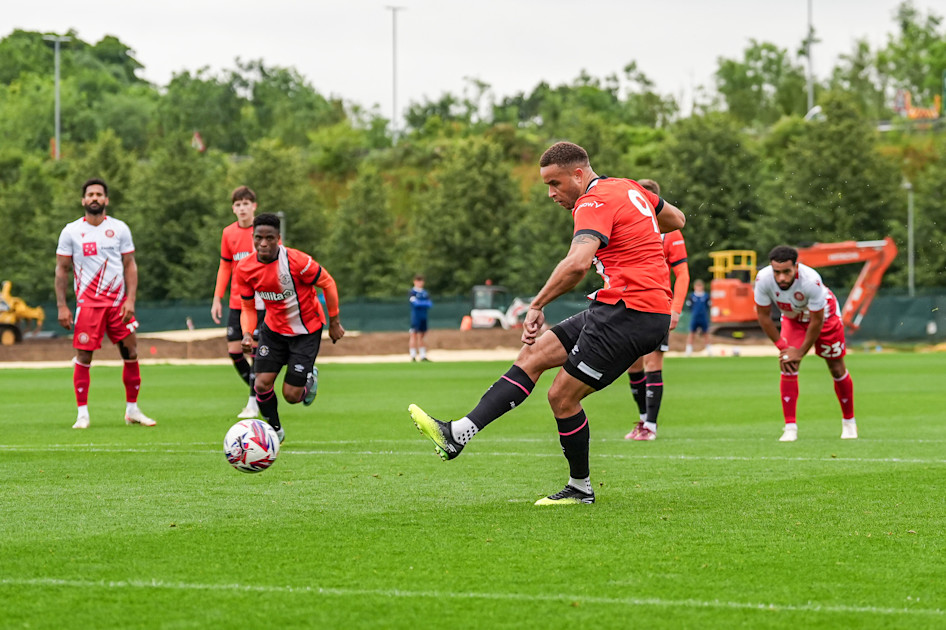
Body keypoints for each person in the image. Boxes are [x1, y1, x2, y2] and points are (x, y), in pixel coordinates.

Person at [408, 141, 685, 505]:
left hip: (630, 312)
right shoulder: (628, 187)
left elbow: (576, 264)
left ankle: (580, 488)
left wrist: (537, 304)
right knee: (533, 355)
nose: (551, 193)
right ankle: (457, 433)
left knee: (561, 396)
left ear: (578, 174)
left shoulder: (592, 201)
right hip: (623, 307)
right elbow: (676, 220)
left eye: (554, 183)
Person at [234, 213, 345, 443]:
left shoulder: (297, 261)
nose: (263, 243)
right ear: (253, 239)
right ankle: (275, 431)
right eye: (258, 238)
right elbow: (247, 307)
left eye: (269, 238)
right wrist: (246, 333)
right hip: (273, 331)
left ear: (279, 238)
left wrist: (334, 322)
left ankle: (308, 380)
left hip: (305, 332)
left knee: (292, 396)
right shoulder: (245, 268)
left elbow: (328, 283)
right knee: (261, 383)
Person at [55, 178, 155, 429]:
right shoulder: (71, 231)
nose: (95, 198)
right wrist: (62, 306)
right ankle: (82, 414)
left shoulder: (120, 229)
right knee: (84, 357)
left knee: (131, 353)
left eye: (99, 194)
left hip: (118, 305)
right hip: (88, 305)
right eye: (90, 194)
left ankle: (132, 410)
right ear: (83, 200)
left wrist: (131, 299)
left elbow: (130, 264)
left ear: (106, 200)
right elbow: (61, 269)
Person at [754, 245, 857, 442]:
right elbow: (764, 317)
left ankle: (849, 422)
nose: (781, 278)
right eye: (777, 272)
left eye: (786, 272)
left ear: (796, 267)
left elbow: (816, 322)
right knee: (787, 363)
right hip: (793, 319)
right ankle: (790, 428)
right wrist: (784, 348)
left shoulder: (811, 281)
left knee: (836, 367)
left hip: (825, 319)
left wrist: (800, 352)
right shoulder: (763, 279)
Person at [623, 179, 689, 442]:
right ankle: (642, 420)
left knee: (653, 362)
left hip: (658, 306)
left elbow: (682, 273)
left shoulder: (670, 232)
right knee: (633, 365)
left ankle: (651, 425)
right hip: (629, 307)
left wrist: (676, 309)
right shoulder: (627, 227)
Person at [211, 185, 265, 419]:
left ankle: (253, 401)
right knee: (234, 350)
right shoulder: (228, 233)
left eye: (246, 204)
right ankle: (260, 391)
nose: (242, 208)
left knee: (254, 351)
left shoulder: (264, 232)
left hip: (261, 303)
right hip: (237, 301)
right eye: (238, 204)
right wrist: (217, 298)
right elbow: (225, 265)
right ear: (233, 209)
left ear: (254, 206)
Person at [408, 274, 433, 361]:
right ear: (415, 282)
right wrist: (423, 303)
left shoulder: (425, 292)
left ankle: (422, 355)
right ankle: (413, 355)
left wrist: (421, 303)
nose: (420, 283)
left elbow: (429, 304)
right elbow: (415, 303)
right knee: (414, 335)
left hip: (424, 316)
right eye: (418, 281)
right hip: (416, 317)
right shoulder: (412, 292)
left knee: (422, 336)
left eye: (421, 281)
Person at [685, 278, 711, 356]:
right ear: (694, 287)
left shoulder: (706, 296)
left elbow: (708, 306)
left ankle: (709, 350)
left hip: (703, 317)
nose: (699, 288)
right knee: (691, 333)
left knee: (706, 333)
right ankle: (688, 350)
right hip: (695, 317)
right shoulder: (691, 296)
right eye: (697, 286)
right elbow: (690, 306)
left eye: (700, 286)